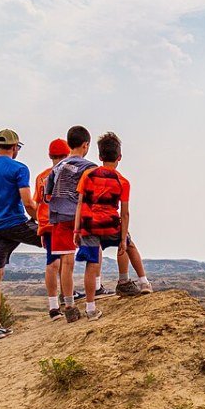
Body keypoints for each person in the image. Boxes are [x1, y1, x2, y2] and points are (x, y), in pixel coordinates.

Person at [73, 132, 153, 322]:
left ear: (100, 157)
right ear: (119, 158)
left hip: (89, 224)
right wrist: (123, 238)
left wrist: (76, 230)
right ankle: (143, 283)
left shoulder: (88, 174)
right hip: (110, 223)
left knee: (92, 264)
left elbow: (79, 203)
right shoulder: (122, 181)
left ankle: (91, 309)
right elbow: (124, 213)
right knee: (130, 246)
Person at [0, 129, 41, 340]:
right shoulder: (19, 168)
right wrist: (43, 219)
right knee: (55, 244)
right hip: (15, 223)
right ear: (14, 148)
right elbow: (27, 202)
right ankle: (65, 299)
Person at [45, 125, 99, 322]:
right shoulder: (89, 167)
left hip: (59, 217)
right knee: (92, 260)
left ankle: (69, 306)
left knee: (66, 263)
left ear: (69, 145)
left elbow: (47, 194)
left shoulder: (56, 168)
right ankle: (91, 307)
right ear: (85, 145)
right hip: (81, 217)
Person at [34, 138, 70, 321]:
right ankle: (57, 305)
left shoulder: (41, 177)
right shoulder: (69, 175)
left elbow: (38, 203)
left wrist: (40, 226)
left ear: (50, 156)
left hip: (48, 224)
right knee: (59, 262)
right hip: (61, 223)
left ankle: (58, 302)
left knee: (56, 261)